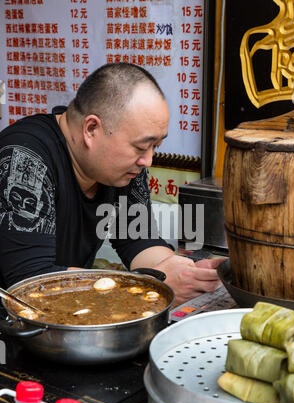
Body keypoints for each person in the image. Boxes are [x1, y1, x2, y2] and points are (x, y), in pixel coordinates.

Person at [0, 63, 224, 307]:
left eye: (155, 146)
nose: (147, 160)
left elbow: (137, 239)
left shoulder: (125, 168)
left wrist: (186, 273)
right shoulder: (24, 159)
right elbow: (32, 280)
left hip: (74, 314)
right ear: (92, 129)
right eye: (140, 147)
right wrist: (146, 285)